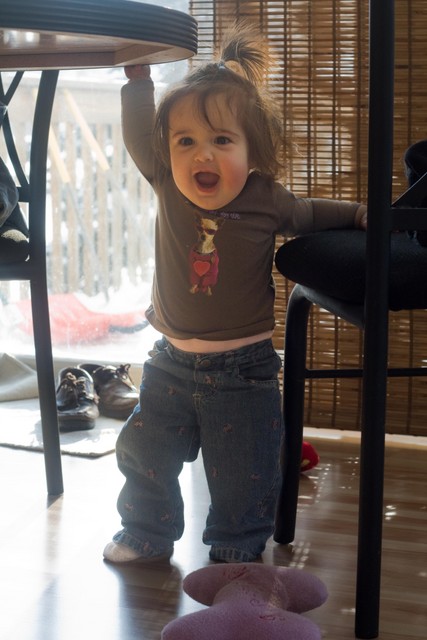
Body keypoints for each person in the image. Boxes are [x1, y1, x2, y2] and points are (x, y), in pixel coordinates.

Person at [103, 24, 367, 564]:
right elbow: (137, 136)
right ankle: (146, 531)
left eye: (222, 140)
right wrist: (138, 81)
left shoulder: (266, 198)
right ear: (167, 150)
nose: (202, 155)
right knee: (143, 450)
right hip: (169, 363)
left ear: (253, 149)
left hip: (244, 371)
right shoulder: (166, 184)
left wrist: (359, 214)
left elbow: (310, 214)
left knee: (245, 470)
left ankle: (236, 546)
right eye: (185, 141)